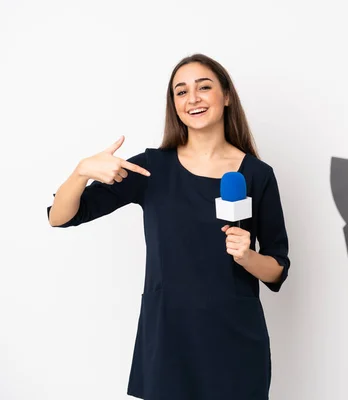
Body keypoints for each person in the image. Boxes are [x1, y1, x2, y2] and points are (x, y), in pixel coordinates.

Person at [47, 53, 291, 400]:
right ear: (173, 104)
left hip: (234, 342)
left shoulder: (256, 175)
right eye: (181, 91)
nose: (192, 98)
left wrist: (247, 256)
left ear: (226, 96)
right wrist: (81, 171)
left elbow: (278, 269)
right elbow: (61, 216)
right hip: (169, 340)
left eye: (203, 87)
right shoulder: (152, 169)